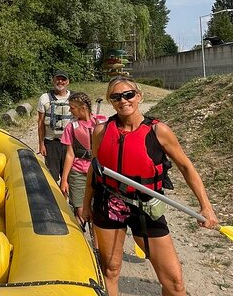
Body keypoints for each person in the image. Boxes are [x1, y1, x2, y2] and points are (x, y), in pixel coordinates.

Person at [82, 76, 219, 296]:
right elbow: (93, 169)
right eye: (116, 97)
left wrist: (206, 206)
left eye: (129, 95)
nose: (123, 101)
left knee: (175, 284)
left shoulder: (158, 131)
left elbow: (186, 167)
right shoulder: (100, 131)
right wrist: (86, 203)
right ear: (110, 100)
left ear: (139, 96)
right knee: (111, 269)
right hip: (109, 203)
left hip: (145, 206)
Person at [59, 92, 99, 220]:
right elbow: (70, 154)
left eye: (72, 108)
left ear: (83, 108)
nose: (70, 111)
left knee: (97, 210)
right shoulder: (71, 127)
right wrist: (64, 180)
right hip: (78, 172)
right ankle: (81, 233)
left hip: (97, 172)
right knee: (80, 210)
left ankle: (96, 238)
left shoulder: (101, 123)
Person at [37, 70, 72, 182]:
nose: (60, 81)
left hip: (69, 144)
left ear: (68, 82)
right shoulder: (44, 98)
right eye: (58, 79)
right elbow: (40, 123)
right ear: (53, 80)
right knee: (52, 177)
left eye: (63, 79)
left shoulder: (74, 98)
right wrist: (41, 144)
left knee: (67, 178)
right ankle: (54, 199)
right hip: (51, 143)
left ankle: (64, 198)